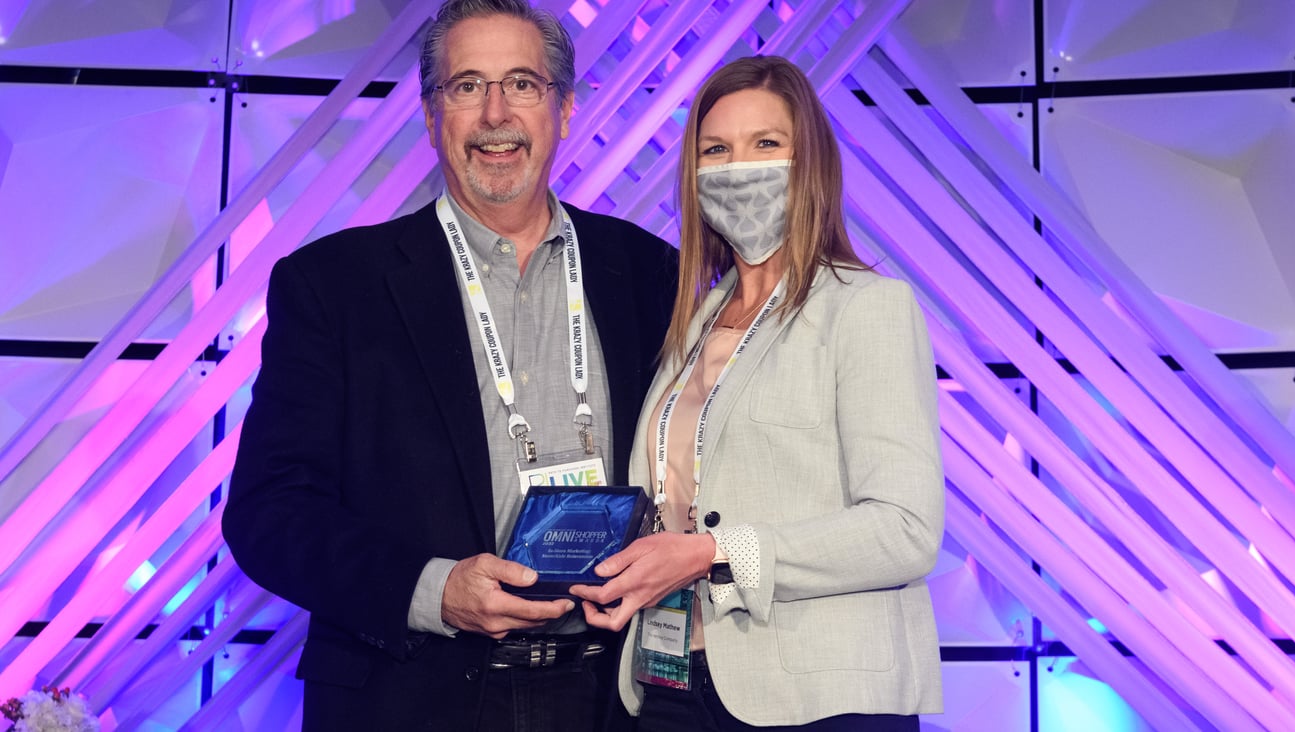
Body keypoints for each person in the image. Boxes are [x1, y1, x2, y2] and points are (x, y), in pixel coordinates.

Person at [221, 0, 677, 729]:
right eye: (467, 86)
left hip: (613, 699)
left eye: (523, 84)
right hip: (413, 695)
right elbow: (268, 514)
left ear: (563, 110)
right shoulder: (335, 285)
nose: (496, 113)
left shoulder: (650, 273)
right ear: (432, 118)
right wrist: (433, 590)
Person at [569, 56, 945, 730]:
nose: (738, 168)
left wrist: (716, 552)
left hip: (816, 698)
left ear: (810, 165)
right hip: (669, 684)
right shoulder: (692, 324)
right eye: (717, 150)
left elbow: (906, 530)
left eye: (765, 145)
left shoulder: (866, 307)